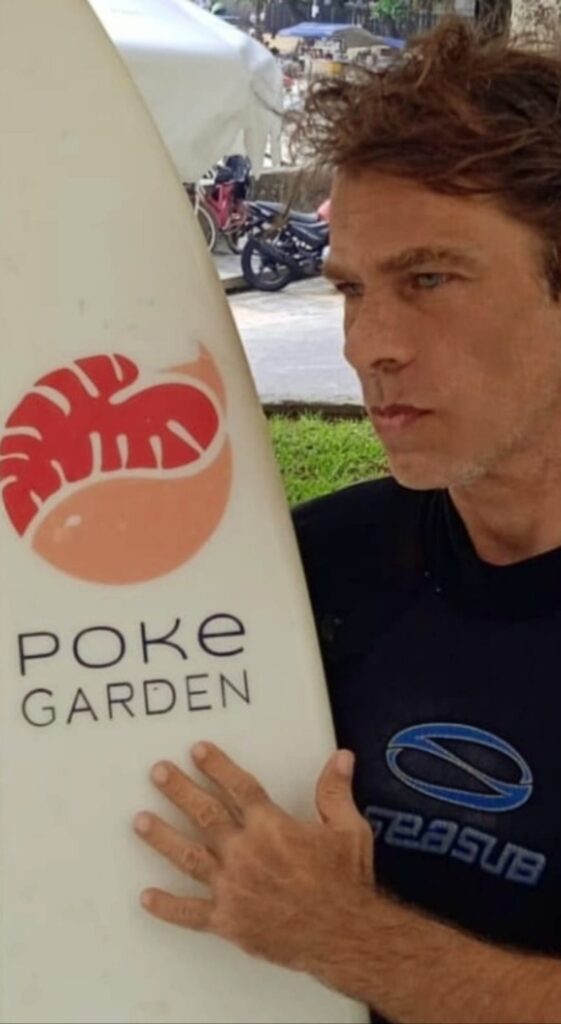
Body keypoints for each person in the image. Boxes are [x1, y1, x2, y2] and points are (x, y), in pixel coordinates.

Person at [132, 16, 561, 1023]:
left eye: (428, 280)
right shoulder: (313, 570)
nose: (368, 344)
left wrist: (343, 935)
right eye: (352, 290)